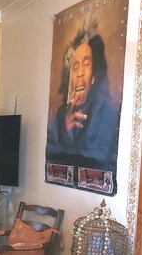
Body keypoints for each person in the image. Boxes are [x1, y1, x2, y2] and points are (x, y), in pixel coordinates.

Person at [46, 19, 120, 173]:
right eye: (75, 66)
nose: (80, 73)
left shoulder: (105, 114)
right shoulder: (61, 115)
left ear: (94, 76)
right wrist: (64, 132)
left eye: (86, 64)